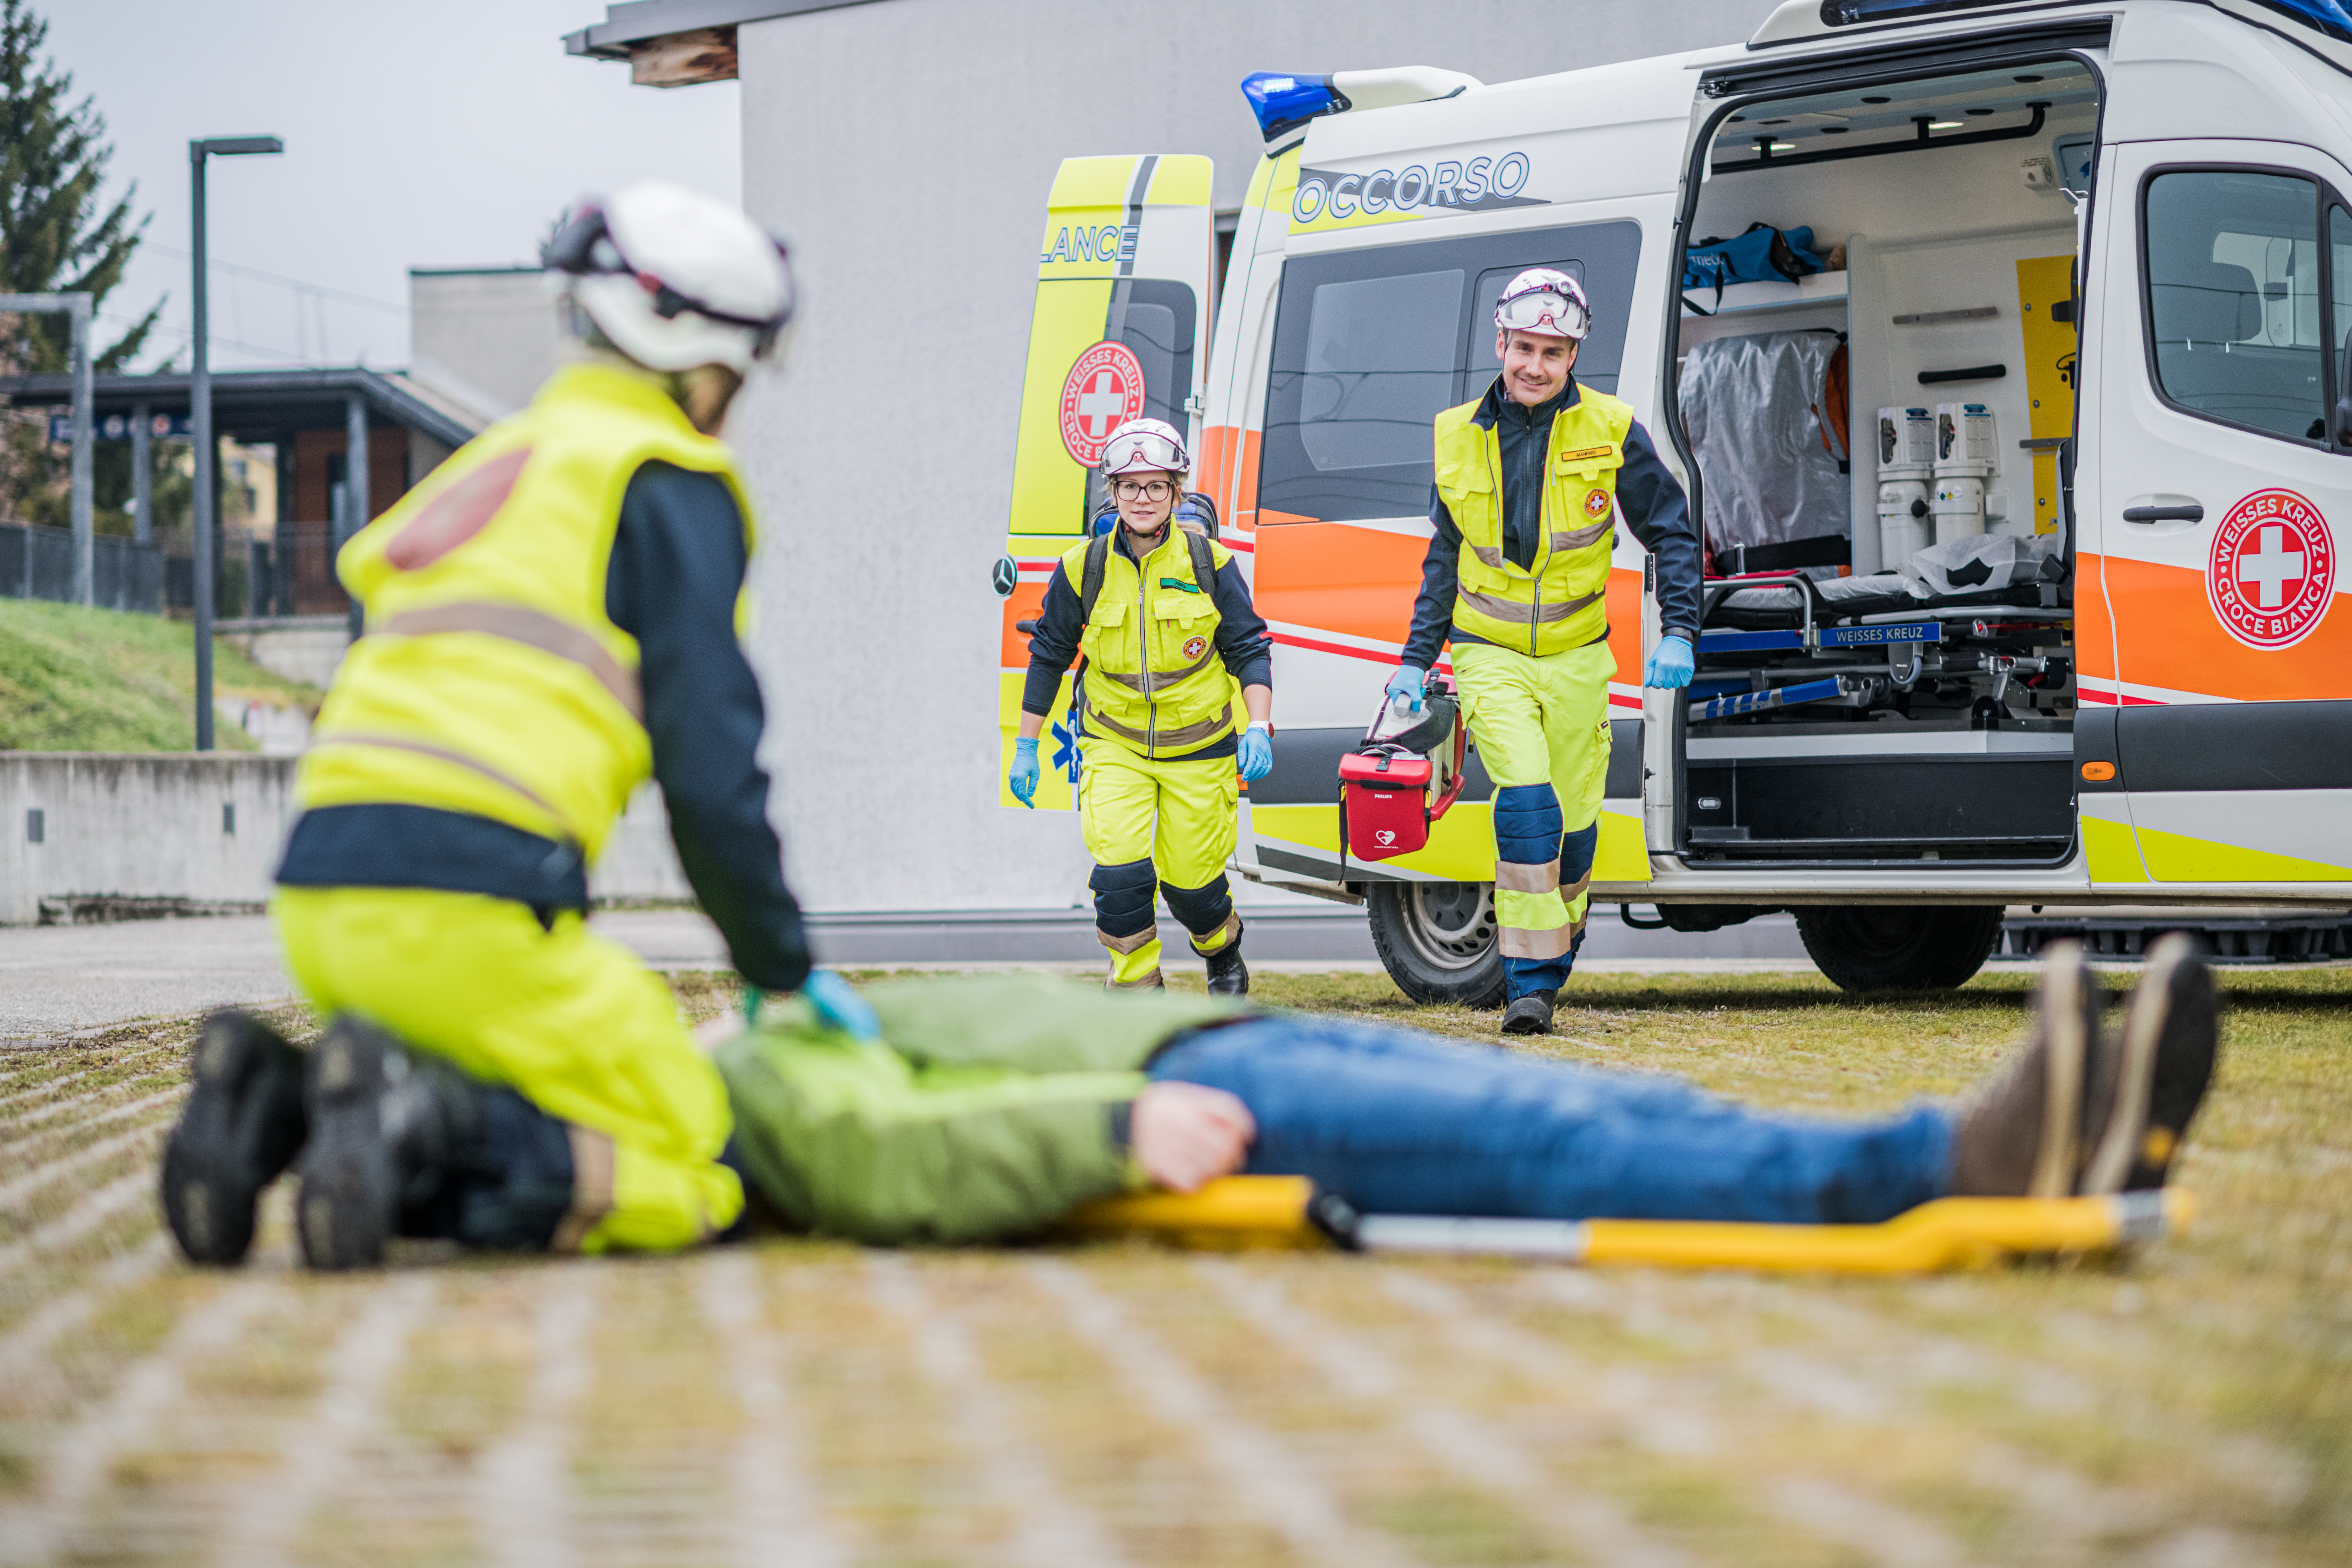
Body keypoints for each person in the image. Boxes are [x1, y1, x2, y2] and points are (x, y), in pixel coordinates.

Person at [159, 181, 878, 1272]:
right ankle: (421, 1129)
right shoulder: (671, 484)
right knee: (699, 1156)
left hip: (321, 902)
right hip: (473, 913)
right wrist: (781, 970)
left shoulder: (505, 462)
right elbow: (711, 775)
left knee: (517, 1066)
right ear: (699, 367)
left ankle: (279, 1103)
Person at [717, 937, 2220, 1245]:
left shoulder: (742, 1028)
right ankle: (1936, 1164)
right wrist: (1109, 1132)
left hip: (1210, 1042)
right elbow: (892, 1164)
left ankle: (2062, 1124)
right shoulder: (739, 1093)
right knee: (1549, 1141)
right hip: (1196, 1100)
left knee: (1624, 1104)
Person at [1387, 269, 1706, 1036]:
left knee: (1575, 823)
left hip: (1577, 659)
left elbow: (1672, 530)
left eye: (1553, 352)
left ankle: (1554, 949)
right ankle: (1529, 981)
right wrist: (1413, 656)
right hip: (1487, 650)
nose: (1535, 365)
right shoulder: (1456, 433)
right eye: (1524, 347)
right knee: (1526, 799)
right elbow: (1443, 559)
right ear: (1500, 342)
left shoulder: (1611, 428)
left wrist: (1681, 631)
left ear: (1574, 355)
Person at [1010, 418, 1275, 994]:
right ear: (1112, 491)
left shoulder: (1210, 563)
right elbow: (1050, 653)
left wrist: (1259, 725)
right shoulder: (1084, 567)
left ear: (1177, 491)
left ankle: (1221, 949)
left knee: (1191, 881)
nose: (1143, 499)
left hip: (1200, 745)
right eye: (1130, 486)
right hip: (1114, 741)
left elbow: (1249, 648)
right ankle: (1137, 988)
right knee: (1120, 872)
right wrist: (1026, 745)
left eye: (1156, 486)